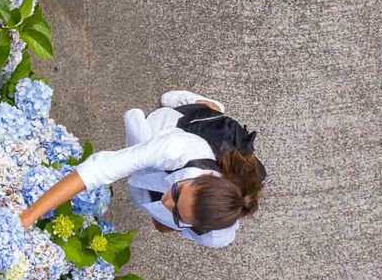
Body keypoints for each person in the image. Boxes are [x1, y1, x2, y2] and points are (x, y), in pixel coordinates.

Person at [17, 89, 264, 247]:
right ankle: (204, 104)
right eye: (177, 193)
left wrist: (168, 223)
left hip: (191, 182)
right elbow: (101, 168)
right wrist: (28, 217)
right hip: (184, 130)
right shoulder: (176, 148)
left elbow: (178, 221)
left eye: (178, 214)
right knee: (193, 115)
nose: (168, 203)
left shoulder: (216, 235)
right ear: (202, 179)